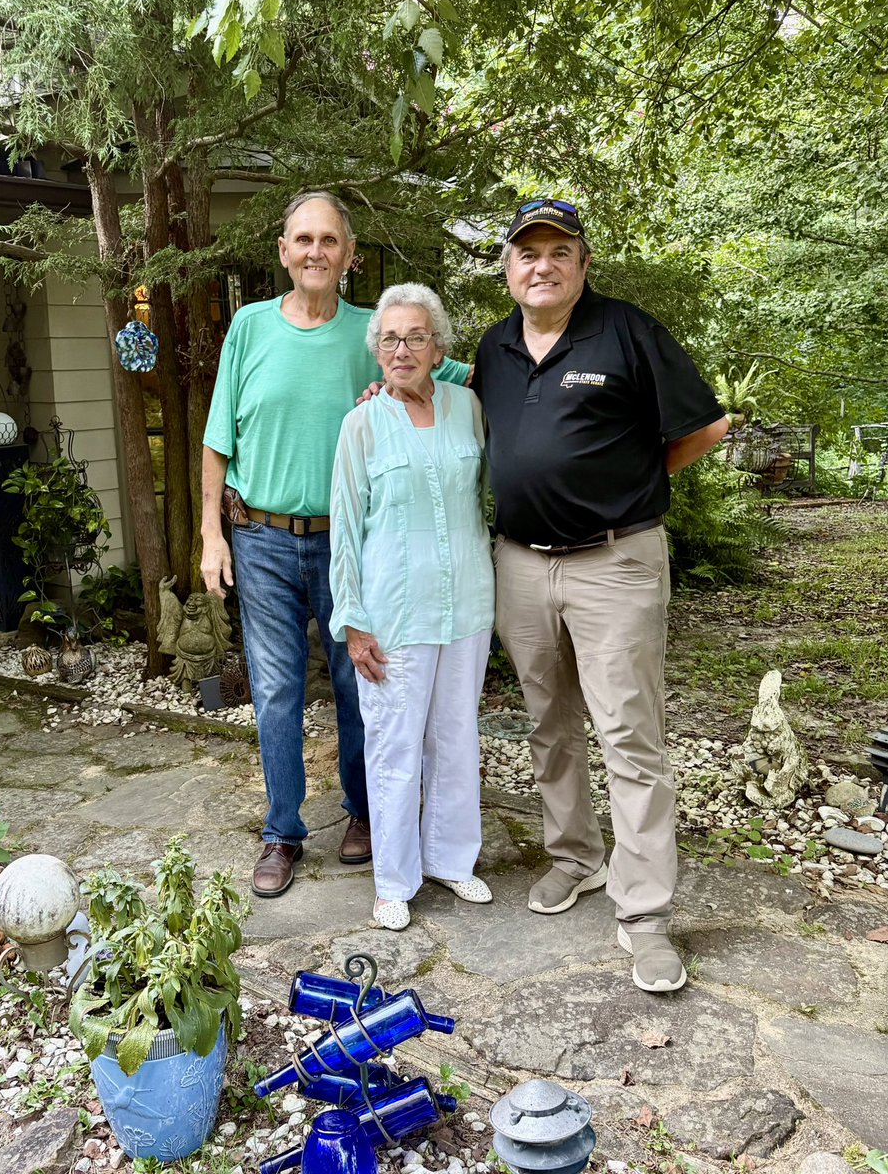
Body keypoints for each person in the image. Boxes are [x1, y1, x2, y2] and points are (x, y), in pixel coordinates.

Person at [473, 198, 729, 992]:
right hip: (519, 563)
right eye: (526, 253)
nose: (540, 265)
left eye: (557, 252)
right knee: (548, 725)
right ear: (508, 268)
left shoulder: (625, 331)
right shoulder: (494, 347)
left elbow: (705, 427)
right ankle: (574, 858)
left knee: (628, 737)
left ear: (582, 264)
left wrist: (632, 489)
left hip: (614, 563)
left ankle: (644, 915)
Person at [201, 193, 469, 898]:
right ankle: (282, 832)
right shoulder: (249, 327)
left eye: (329, 240)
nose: (315, 251)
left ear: (349, 257)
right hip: (259, 537)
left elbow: (449, 375)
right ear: (284, 252)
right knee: (278, 690)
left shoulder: (373, 333)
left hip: (353, 544)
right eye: (303, 239)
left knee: (360, 683)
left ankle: (364, 813)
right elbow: (216, 439)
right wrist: (209, 536)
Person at [330, 284, 494, 931]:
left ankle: (452, 859)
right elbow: (344, 530)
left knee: (455, 739)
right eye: (389, 339)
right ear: (376, 351)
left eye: (414, 337)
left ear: (437, 348)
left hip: (467, 608)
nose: (401, 349)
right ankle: (394, 880)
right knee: (394, 749)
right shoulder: (360, 424)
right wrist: (352, 622)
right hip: (392, 615)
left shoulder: (468, 409)